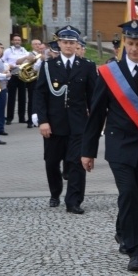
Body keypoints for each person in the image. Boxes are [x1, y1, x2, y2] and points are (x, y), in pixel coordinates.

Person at [81, 20, 138, 272]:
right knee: (129, 192)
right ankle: (135, 248)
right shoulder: (110, 74)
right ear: (122, 44)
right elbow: (96, 114)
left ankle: (122, 230)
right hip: (119, 147)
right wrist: (87, 151)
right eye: (129, 43)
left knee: (135, 197)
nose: (133, 48)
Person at [34, 25, 97, 213]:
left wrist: (95, 122)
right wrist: (43, 120)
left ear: (77, 44)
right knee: (52, 162)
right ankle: (55, 192)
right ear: (59, 44)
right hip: (54, 124)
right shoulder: (48, 66)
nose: (69, 46)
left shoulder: (86, 66)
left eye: (72, 43)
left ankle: (74, 200)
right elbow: (40, 95)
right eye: (65, 42)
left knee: (77, 163)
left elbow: (93, 96)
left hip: (78, 124)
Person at [3, 34, 34, 126]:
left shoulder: (24, 50)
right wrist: (9, 66)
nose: (17, 42)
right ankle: (9, 118)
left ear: (21, 42)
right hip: (12, 74)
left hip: (22, 75)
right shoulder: (8, 51)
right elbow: (3, 61)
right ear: (12, 41)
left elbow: (28, 61)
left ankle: (21, 117)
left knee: (22, 97)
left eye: (19, 40)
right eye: (15, 40)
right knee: (11, 97)